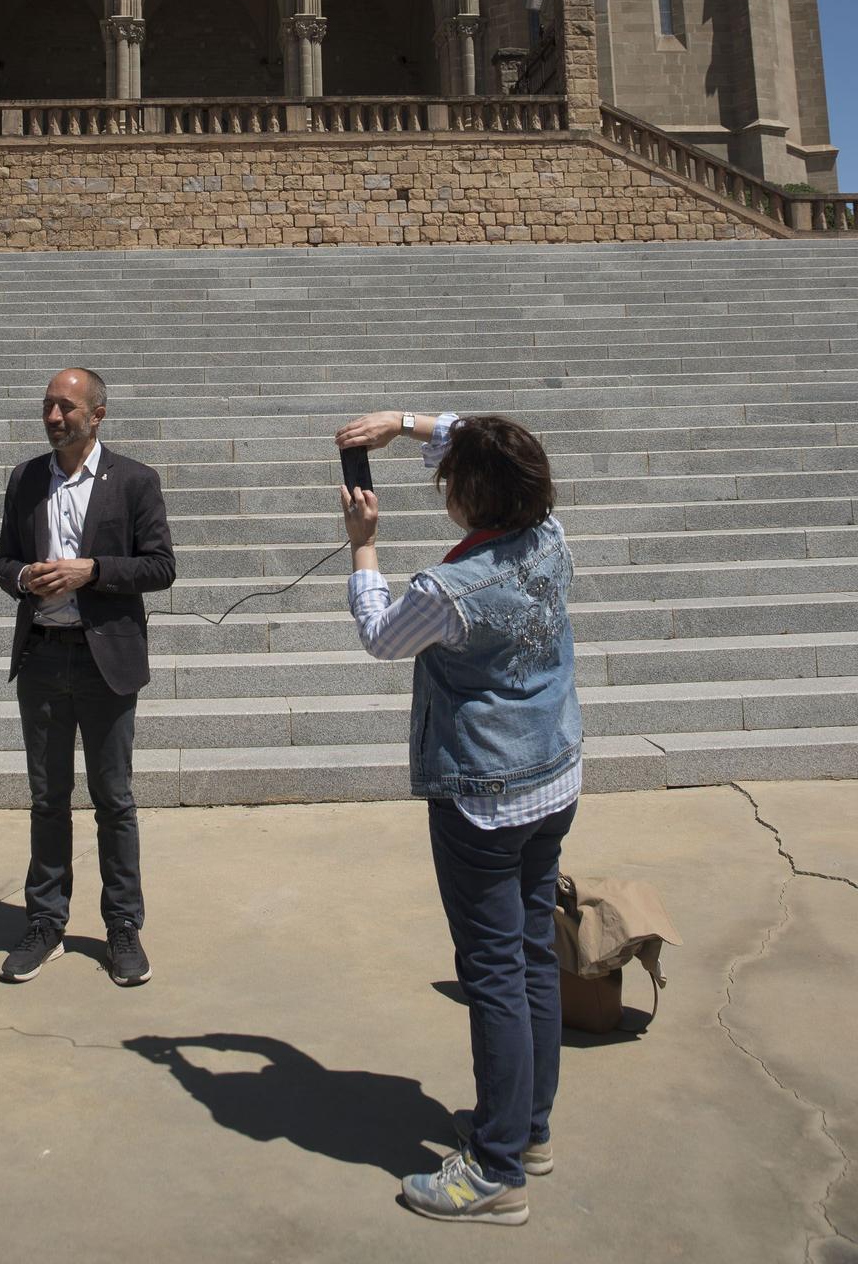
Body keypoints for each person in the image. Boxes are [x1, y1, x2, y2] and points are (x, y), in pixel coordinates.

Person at [336, 407, 582, 1227]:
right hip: (552, 777)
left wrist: (362, 544)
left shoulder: (448, 591)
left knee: (492, 975)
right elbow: (484, 442)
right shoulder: (549, 534)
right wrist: (404, 424)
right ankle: (528, 1129)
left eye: (447, 479)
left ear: (467, 496)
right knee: (530, 953)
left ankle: (496, 1170)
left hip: (483, 796)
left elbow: (379, 635)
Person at [0, 367, 176, 988]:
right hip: (43, 656)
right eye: (47, 406)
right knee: (47, 799)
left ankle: (123, 926)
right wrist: (25, 579)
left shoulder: (135, 481)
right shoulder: (24, 480)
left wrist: (90, 571)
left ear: (97, 415)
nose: (52, 417)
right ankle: (45, 921)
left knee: (114, 800)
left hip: (106, 661)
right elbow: (3, 561)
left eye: (65, 407)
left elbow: (160, 566)